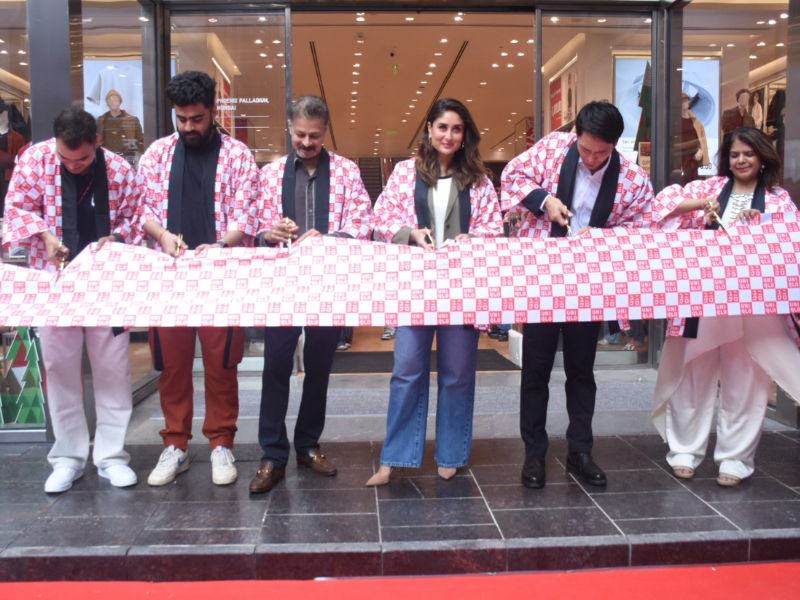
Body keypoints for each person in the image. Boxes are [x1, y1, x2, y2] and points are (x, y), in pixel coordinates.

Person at [501, 101, 655, 489]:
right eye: (585, 149)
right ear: (576, 136)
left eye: (601, 153)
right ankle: (534, 453)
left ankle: (580, 451)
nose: (591, 158)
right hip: (543, 278)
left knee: (581, 371)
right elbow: (512, 174)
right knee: (535, 369)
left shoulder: (633, 180)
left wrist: (601, 237)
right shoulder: (553, 148)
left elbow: (644, 228)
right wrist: (545, 199)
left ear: (615, 146)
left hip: (589, 284)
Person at [2, 107, 141, 493]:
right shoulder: (35, 159)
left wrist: (118, 238)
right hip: (54, 281)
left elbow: (136, 218)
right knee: (60, 368)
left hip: (107, 283)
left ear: (97, 142)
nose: (73, 165)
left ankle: (111, 456)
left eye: (82, 159)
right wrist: (45, 236)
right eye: (66, 159)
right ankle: (67, 457)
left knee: (113, 371)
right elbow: (15, 210)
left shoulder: (118, 169)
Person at [652, 127, 800, 487]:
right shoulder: (708, 188)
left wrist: (761, 224)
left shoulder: (778, 200)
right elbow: (660, 206)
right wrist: (701, 207)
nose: (741, 160)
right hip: (704, 299)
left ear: (762, 158)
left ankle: (736, 459)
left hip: (754, 304)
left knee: (746, 380)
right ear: (726, 159)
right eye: (735, 155)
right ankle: (684, 451)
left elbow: (790, 243)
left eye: (749, 154)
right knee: (691, 373)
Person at [366, 98, 502, 486]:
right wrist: (408, 232)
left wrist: (472, 241)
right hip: (416, 287)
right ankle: (394, 457)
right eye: (442, 127)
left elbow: (493, 229)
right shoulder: (405, 173)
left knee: (457, 373)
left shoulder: (478, 179)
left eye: (456, 129)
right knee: (407, 370)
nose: (449, 136)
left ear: (465, 134)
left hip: (462, 288)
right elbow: (381, 218)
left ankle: (451, 453)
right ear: (429, 129)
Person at [138, 71, 260, 487]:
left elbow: (247, 214)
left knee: (221, 364)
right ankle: (175, 444)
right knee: (172, 365)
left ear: (213, 111)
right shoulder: (156, 154)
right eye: (182, 119)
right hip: (168, 277)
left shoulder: (238, 156)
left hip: (219, 276)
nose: (189, 126)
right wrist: (161, 235)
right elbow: (142, 210)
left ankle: (221, 442)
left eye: (197, 119)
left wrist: (222, 244)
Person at [249, 96, 372, 494]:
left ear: (325, 132)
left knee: (319, 367)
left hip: (328, 284)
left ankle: (307, 445)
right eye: (300, 134)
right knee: (275, 367)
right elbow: (253, 224)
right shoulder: (269, 174)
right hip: (281, 285)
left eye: (314, 136)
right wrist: (268, 234)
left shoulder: (348, 172)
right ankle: (272, 454)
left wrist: (330, 237)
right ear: (289, 128)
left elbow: (363, 223)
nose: (306, 142)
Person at [96, 90, 144, 166]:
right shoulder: (101, 121)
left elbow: (140, 140)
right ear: (107, 103)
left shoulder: (132, 120)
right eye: (110, 100)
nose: (113, 102)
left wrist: (141, 159)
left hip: (126, 158)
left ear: (120, 101)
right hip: (107, 158)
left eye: (115, 99)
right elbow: (96, 140)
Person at [0, 99, 26, 215]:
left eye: (4, 113)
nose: (3, 117)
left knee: (7, 202)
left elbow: (21, 157)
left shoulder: (17, 137)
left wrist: (13, 160)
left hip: (9, 175)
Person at [677, 92, 709, 184]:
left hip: (697, 157)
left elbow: (702, 139)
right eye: (682, 101)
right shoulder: (675, 121)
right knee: (684, 183)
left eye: (686, 100)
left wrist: (701, 150)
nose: (685, 103)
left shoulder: (695, 121)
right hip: (683, 158)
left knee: (699, 183)